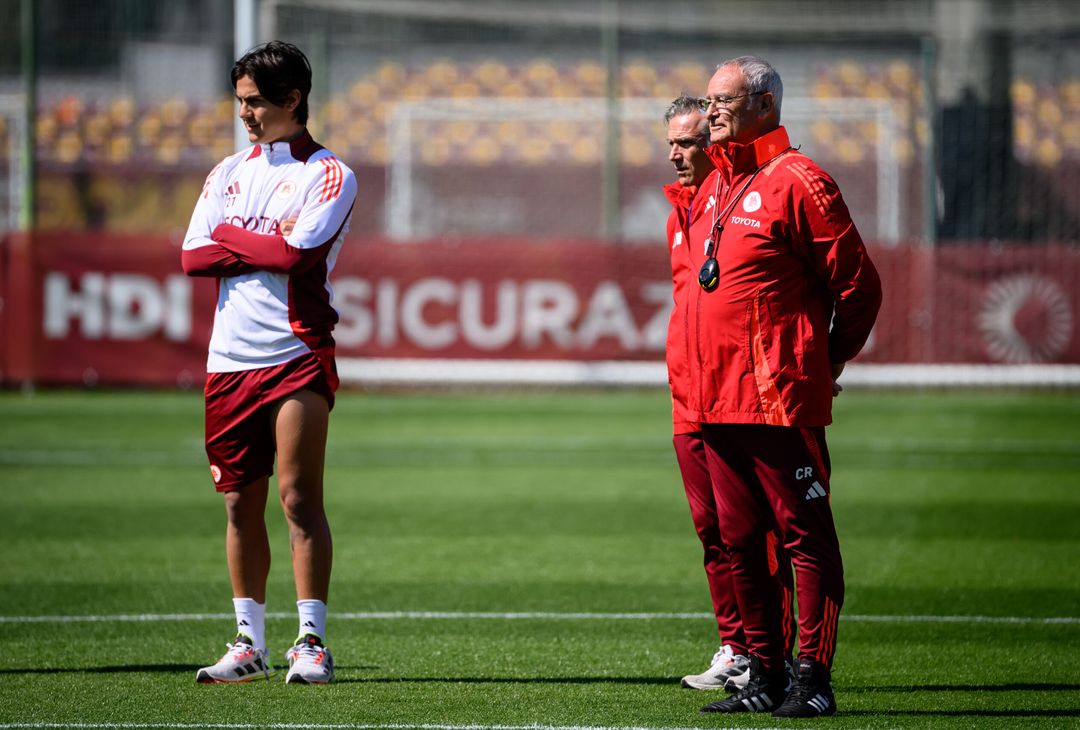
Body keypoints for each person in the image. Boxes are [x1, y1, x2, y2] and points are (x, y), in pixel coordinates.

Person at [676, 57, 881, 717]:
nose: (710, 112)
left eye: (722, 100)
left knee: (805, 538)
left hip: (775, 399)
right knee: (739, 541)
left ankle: (811, 679)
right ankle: (760, 674)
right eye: (707, 101)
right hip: (716, 401)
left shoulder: (801, 180)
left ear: (764, 104)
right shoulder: (717, 188)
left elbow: (860, 287)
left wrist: (828, 361)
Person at [181, 40, 357, 685]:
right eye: (240, 103)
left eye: (255, 103)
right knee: (237, 504)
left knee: (297, 497)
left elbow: (295, 256)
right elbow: (193, 257)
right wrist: (254, 240)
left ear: (293, 99)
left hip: (296, 353)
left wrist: (230, 237)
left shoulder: (331, 173)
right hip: (227, 361)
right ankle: (247, 643)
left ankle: (311, 642)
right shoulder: (225, 171)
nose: (245, 115)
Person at [662, 95, 796, 693]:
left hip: (739, 394)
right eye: (670, 143)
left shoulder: (740, 204)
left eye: (687, 142)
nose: (675, 154)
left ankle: (777, 655)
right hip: (688, 397)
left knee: (759, 532)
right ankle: (736, 645)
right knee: (711, 528)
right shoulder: (679, 217)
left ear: (712, 147)